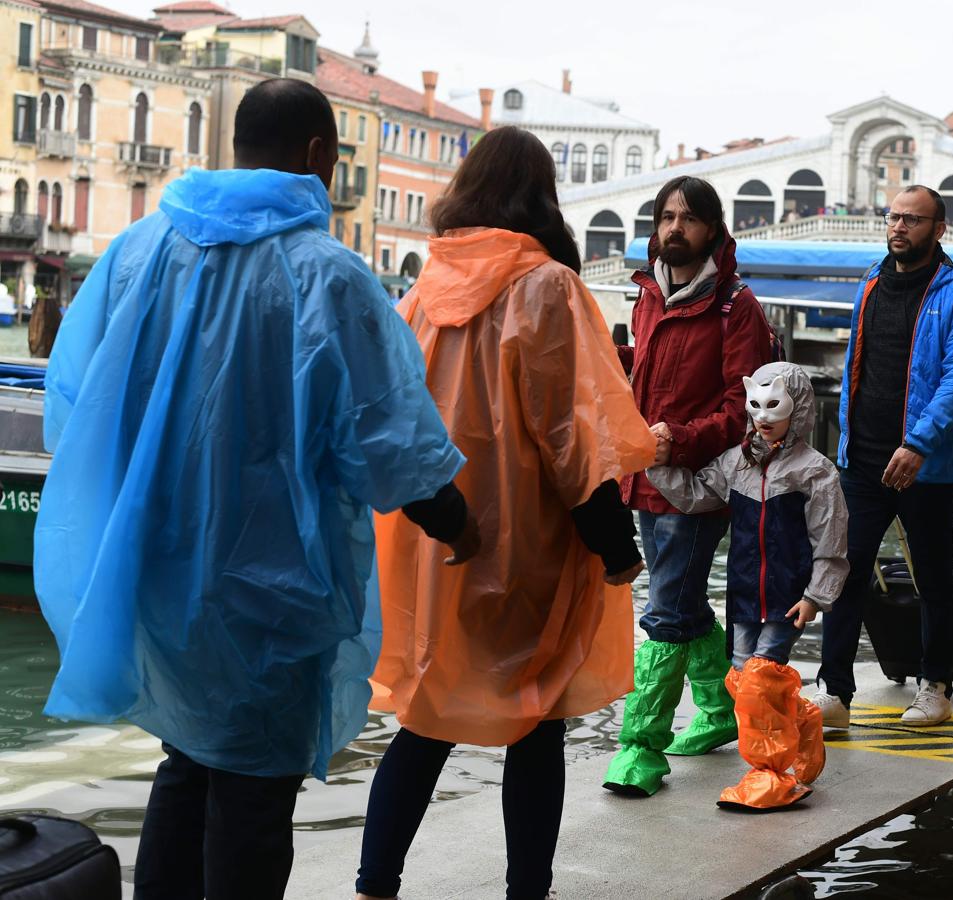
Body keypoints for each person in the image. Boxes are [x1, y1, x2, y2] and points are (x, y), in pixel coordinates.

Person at [33, 78, 477, 900]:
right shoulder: (331, 278)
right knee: (253, 793)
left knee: (189, 757)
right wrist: (461, 524)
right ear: (317, 155)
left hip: (162, 574)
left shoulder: (140, 250)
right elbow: (390, 443)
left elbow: (79, 398)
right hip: (269, 587)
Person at [354, 126, 654, 900]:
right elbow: (573, 434)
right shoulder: (546, 286)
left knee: (427, 712)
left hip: (437, 540)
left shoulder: (420, 290)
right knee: (536, 715)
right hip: (528, 543)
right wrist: (614, 544)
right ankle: (528, 890)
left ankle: (373, 884)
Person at [601, 175, 774, 797]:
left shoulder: (736, 306)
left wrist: (681, 437)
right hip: (644, 475)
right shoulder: (650, 292)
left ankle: (640, 749)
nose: (675, 228)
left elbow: (744, 407)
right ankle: (721, 710)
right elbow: (649, 375)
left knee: (664, 612)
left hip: (695, 482)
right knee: (683, 599)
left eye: (689, 218)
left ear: (713, 230)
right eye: (666, 216)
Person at [814, 185, 953, 729]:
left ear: (938, 230)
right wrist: (846, 439)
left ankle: (934, 686)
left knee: (933, 577)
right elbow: (856, 368)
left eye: (913, 219)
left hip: (927, 466)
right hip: (861, 460)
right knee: (844, 573)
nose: (899, 227)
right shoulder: (870, 281)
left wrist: (917, 444)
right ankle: (835, 692)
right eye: (893, 217)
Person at [647, 362, 847, 810]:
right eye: (755, 406)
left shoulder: (815, 472)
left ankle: (771, 776)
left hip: (788, 596)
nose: (763, 416)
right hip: (742, 595)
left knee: (759, 680)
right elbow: (698, 494)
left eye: (774, 406)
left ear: (796, 410)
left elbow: (830, 537)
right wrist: (656, 465)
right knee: (741, 680)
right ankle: (804, 720)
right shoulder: (736, 462)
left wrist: (817, 595)